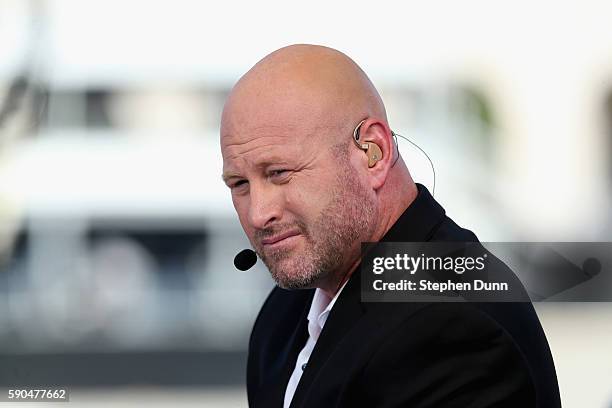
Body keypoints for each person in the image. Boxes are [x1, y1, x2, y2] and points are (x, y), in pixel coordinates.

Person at [220, 44, 561, 408]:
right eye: (239, 184)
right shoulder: (289, 308)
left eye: (279, 173)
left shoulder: (451, 321)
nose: (258, 213)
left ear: (373, 153)